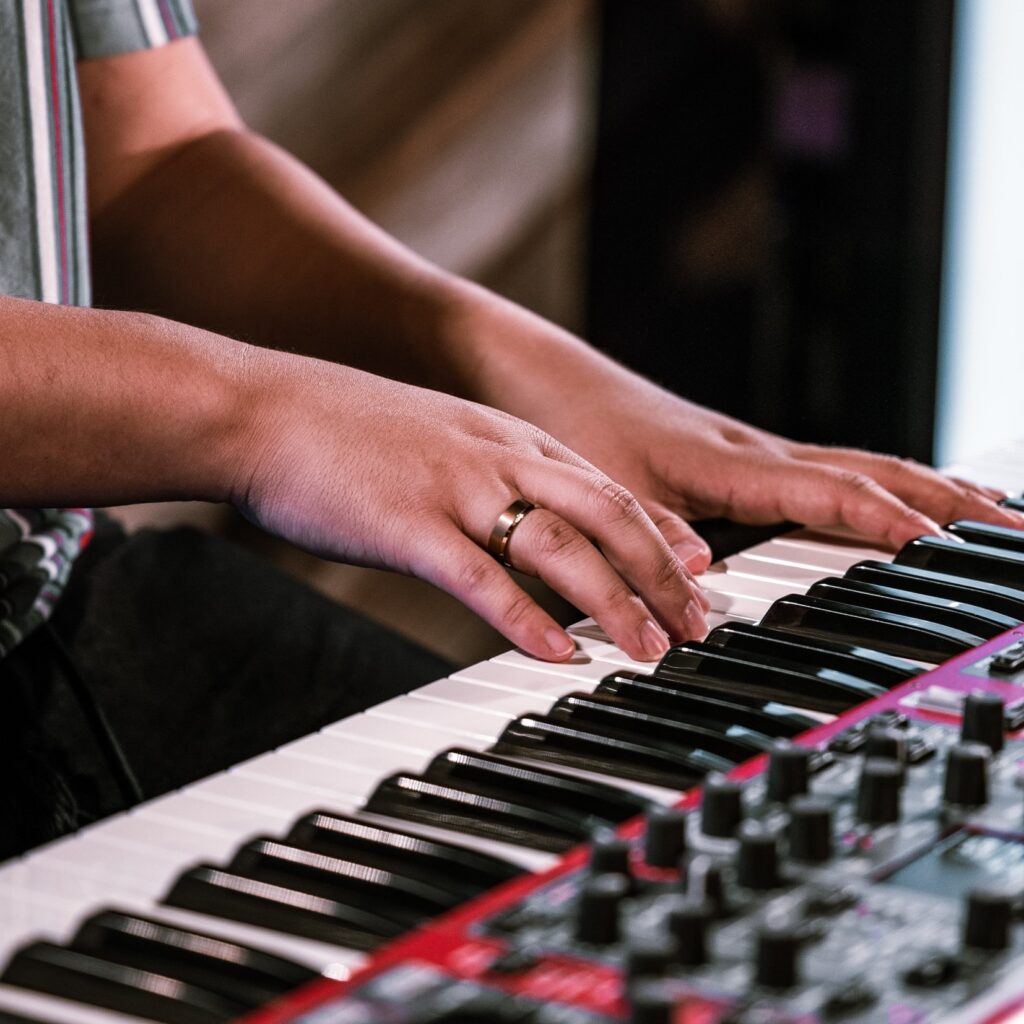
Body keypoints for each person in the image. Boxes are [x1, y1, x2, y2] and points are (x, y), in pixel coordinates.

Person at [1, 1, 1018, 858]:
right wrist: (259, 416)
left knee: (706, 857)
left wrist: (513, 366)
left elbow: (146, 162)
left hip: (43, 584)